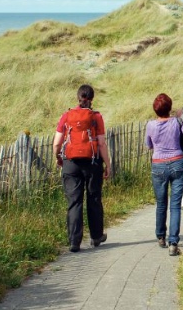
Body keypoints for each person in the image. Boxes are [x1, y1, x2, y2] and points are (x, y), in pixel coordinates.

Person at [52, 84, 111, 253]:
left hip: (70, 162)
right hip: (92, 162)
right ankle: (96, 236)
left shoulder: (66, 116)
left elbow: (57, 142)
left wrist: (58, 157)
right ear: (92, 99)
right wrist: (107, 163)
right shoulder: (96, 117)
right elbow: (101, 143)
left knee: (74, 202)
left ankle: (74, 241)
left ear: (78, 97)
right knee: (93, 199)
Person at [145, 93, 183, 256]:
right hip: (177, 163)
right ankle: (173, 243)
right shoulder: (177, 122)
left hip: (158, 165)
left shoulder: (150, 125)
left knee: (161, 203)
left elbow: (148, 145)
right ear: (170, 108)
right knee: (175, 205)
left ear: (155, 110)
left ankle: (160, 236)